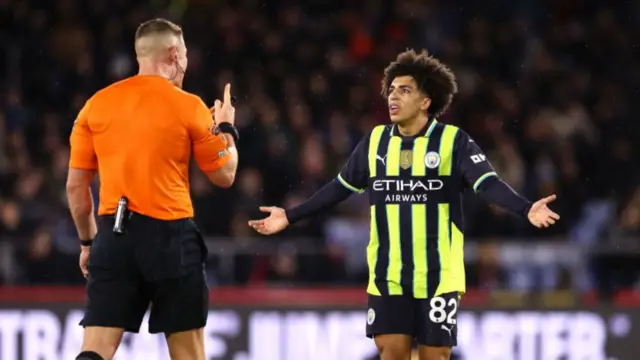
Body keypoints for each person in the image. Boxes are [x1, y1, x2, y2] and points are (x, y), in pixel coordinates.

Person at [248, 49, 560, 360]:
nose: (393, 97)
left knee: (435, 356)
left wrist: (525, 208)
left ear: (426, 102)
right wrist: (290, 216)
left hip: (439, 276)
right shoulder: (375, 142)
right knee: (392, 352)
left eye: (404, 90)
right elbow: (338, 189)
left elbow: (487, 184)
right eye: (392, 90)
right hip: (389, 275)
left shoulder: (454, 142)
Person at [66, 18, 239, 360]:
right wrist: (228, 129)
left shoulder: (96, 105)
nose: (187, 62)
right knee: (187, 351)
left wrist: (88, 243)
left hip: (114, 237)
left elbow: (76, 189)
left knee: (96, 349)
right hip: (171, 238)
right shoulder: (188, 105)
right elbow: (225, 175)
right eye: (186, 53)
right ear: (175, 54)